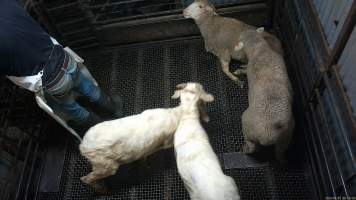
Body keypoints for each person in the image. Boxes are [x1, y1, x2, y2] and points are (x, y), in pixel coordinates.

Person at [0, 0, 123, 136]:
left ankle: (106, 134)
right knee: (88, 88)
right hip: (63, 57)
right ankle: (115, 108)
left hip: (50, 81)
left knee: (74, 110)